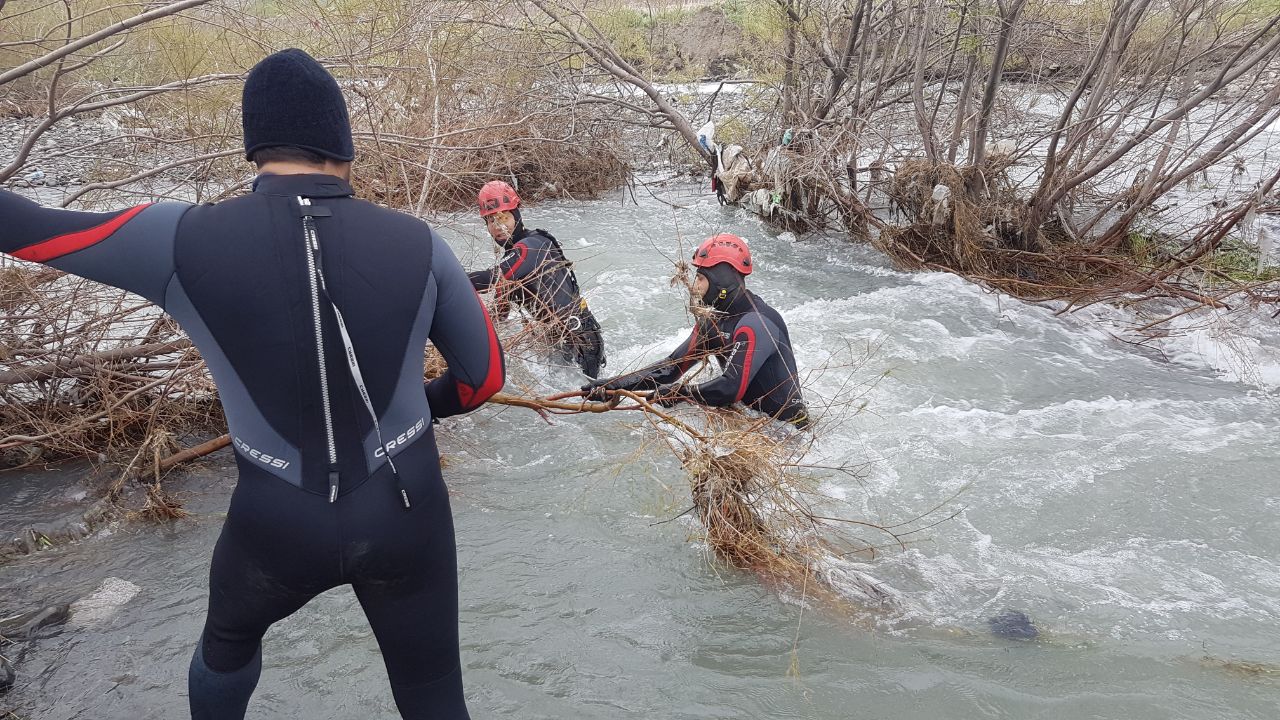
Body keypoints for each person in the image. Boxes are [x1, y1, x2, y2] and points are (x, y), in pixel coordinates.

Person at [0, 49, 503, 719]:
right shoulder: (420, 243)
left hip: (275, 526)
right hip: (405, 516)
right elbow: (483, 380)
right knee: (433, 694)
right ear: (343, 147)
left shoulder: (177, 239)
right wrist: (422, 415)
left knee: (226, 648)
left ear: (255, 148)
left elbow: (27, 231)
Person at [582, 233, 809, 428]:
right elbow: (671, 367)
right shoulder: (713, 321)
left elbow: (731, 388)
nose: (695, 286)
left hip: (787, 431)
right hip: (752, 422)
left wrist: (680, 393)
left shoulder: (756, 324)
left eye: (700, 278)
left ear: (722, 282)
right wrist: (613, 385)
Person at [467, 180, 606, 378]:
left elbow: (491, 279)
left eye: (503, 218)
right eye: (490, 221)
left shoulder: (531, 246)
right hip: (557, 340)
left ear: (516, 215)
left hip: (582, 341)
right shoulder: (512, 263)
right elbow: (499, 313)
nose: (497, 227)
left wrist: (445, 279)